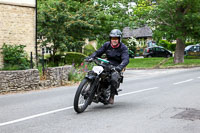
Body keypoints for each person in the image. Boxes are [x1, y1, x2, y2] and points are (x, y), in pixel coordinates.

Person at [86, 29, 129, 104]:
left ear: (119, 39)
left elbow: (126, 59)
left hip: (116, 66)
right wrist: (91, 57)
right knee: (94, 72)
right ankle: (90, 88)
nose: (114, 40)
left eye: (116, 38)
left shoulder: (123, 48)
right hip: (107, 63)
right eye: (112, 38)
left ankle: (112, 96)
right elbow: (98, 52)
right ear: (110, 39)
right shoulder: (107, 45)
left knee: (114, 77)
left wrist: (120, 67)